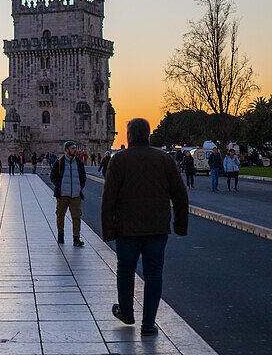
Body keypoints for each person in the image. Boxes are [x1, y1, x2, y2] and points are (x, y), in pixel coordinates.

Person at [101, 118, 189, 337]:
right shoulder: (164, 159)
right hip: (157, 229)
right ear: (148, 135)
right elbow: (180, 195)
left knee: (126, 270)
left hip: (127, 229)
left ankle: (127, 312)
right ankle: (148, 323)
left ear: (129, 136)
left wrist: (108, 231)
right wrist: (180, 225)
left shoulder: (119, 160)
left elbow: (108, 198)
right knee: (154, 274)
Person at [49, 140, 87, 246]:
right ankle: (60, 235)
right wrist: (59, 186)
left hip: (75, 196)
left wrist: (79, 188)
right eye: (73, 148)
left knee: (76, 217)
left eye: (75, 148)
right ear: (66, 150)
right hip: (62, 195)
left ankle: (76, 238)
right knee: (60, 216)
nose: (75, 150)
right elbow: (53, 176)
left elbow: (83, 177)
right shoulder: (60, 162)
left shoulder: (79, 162)